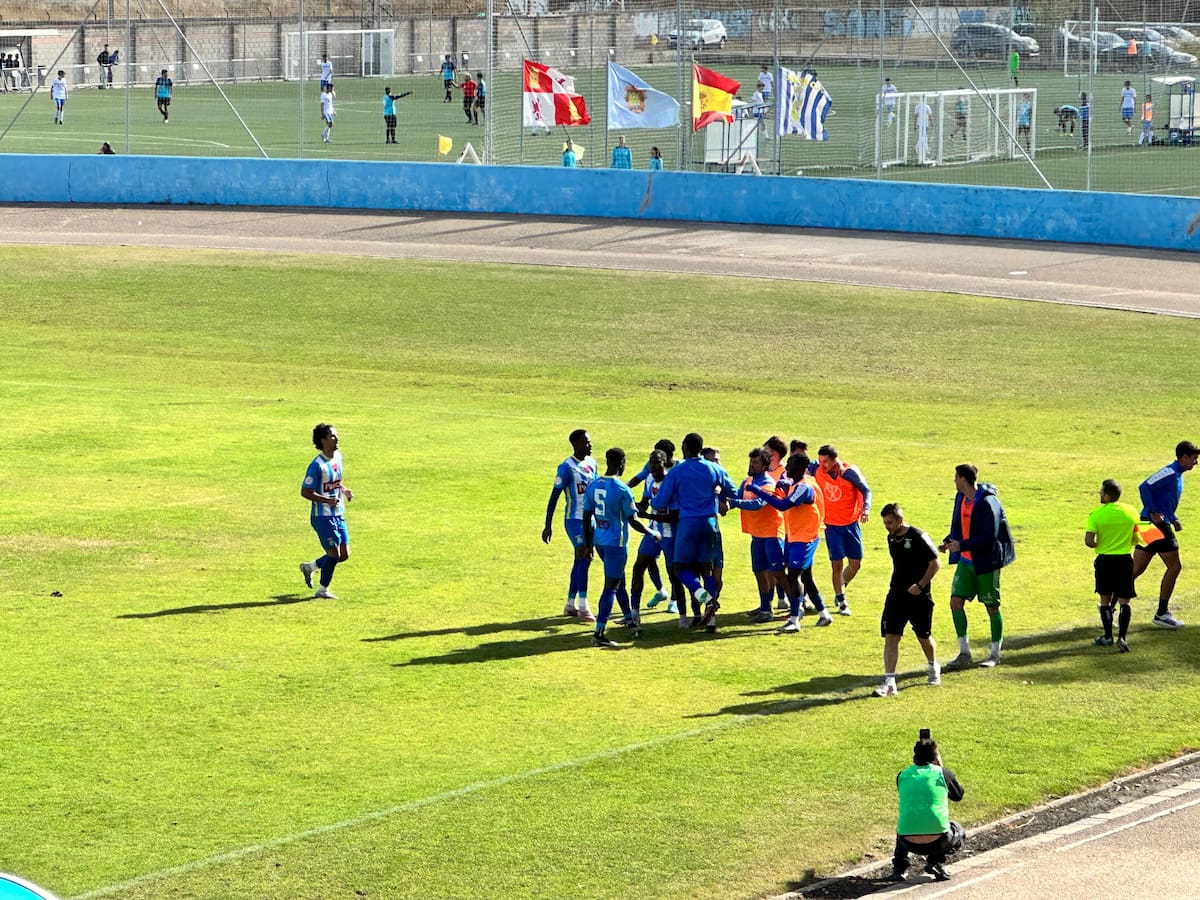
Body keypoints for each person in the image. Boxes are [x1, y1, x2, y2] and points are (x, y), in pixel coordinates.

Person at [654, 432, 740, 633]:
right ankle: (711, 622)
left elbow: (660, 502)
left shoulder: (678, 471)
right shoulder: (714, 468)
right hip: (710, 523)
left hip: (688, 524)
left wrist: (653, 501)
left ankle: (706, 599)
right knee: (707, 569)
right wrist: (718, 496)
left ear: (685, 447)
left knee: (679, 568)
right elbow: (733, 492)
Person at [939, 463, 1016, 669]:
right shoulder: (961, 498)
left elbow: (989, 536)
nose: (954, 481)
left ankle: (995, 654)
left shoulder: (988, 503)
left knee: (991, 606)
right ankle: (964, 653)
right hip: (966, 562)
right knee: (955, 602)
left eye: (956, 477)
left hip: (986, 562)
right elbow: (960, 526)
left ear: (963, 479)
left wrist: (961, 545)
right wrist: (948, 542)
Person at [746, 452, 832, 632]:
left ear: (800, 468)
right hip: (796, 537)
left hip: (805, 539)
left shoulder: (804, 487)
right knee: (806, 577)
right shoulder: (796, 485)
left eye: (791, 465)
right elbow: (787, 501)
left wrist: (759, 491)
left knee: (793, 576)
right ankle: (824, 614)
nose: (787, 468)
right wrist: (784, 489)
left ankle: (794, 619)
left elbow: (783, 505)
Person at [583, 448, 657, 647]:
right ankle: (599, 634)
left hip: (599, 541)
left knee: (619, 581)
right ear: (621, 463)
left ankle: (630, 622)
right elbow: (633, 521)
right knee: (611, 587)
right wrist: (652, 532)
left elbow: (586, 517)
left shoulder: (593, 485)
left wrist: (588, 545)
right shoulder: (622, 490)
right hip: (616, 544)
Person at [873, 503, 941, 697]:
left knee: (923, 636)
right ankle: (890, 682)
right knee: (891, 636)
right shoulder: (891, 538)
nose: (886, 526)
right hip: (896, 595)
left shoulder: (918, 536)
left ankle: (933, 665)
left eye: (889, 522)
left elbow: (935, 563)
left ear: (900, 520)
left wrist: (920, 585)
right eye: (885, 523)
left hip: (919, 596)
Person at [1133, 440, 1199, 629]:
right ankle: (1162, 613)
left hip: (1148, 524)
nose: (1196, 463)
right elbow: (1144, 486)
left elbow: (1164, 499)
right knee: (1174, 567)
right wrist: (1153, 511)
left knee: (1137, 568)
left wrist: (1173, 517)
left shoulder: (1177, 474)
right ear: (1183, 457)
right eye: (1194, 458)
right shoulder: (1170, 472)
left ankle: (1108, 605)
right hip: (1156, 526)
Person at [891, 732, 966, 882]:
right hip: (939, 841)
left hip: (907, 841)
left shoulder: (902, 775)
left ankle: (899, 869)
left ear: (914, 756)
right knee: (958, 830)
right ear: (935, 757)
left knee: (907, 821)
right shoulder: (942, 773)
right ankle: (935, 862)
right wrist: (941, 768)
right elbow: (958, 795)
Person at [542, 428, 598, 623]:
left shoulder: (592, 463)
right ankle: (583, 606)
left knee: (582, 560)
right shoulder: (566, 467)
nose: (590, 445)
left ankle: (570, 604)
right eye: (586, 442)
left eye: (590, 441)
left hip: (591, 520)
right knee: (583, 553)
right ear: (576, 444)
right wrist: (548, 525)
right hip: (574, 520)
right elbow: (554, 497)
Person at [809, 444, 871, 616]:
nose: (822, 464)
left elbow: (866, 490)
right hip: (831, 526)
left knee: (855, 564)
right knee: (836, 564)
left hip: (850, 524)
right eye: (820, 460)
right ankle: (842, 601)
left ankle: (842, 583)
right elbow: (799, 464)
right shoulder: (816, 469)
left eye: (825, 461)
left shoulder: (849, 473)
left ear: (834, 460)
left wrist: (866, 508)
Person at [726, 448, 783, 624]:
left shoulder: (769, 484)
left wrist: (732, 502)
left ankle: (798, 604)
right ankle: (765, 607)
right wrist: (722, 500)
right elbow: (735, 498)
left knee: (777, 573)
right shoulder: (747, 482)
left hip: (772, 534)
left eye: (756, 462)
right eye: (751, 461)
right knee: (759, 571)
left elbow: (757, 504)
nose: (751, 465)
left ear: (765, 466)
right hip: (757, 535)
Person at [298, 423, 353, 600]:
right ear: (323, 440)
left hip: (337, 513)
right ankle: (322, 590)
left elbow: (336, 481)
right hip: (322, 516)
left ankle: (310, 567)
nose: (337, 439)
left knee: (343, 555)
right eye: (333, 436)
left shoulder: (338, 457)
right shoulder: (316, 465)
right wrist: (327, 500)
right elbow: (305, 492)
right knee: (333, 554)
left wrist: (344, 490)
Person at [1086, 479, 1140, 652]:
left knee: (1105, 600)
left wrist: (1100, 544)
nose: (1100, 494)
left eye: (1101, 492)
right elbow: (1138, 537)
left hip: (1105, 561)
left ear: (1107, 495)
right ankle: (1122, 637)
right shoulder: (1131, 511)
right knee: (1125, 601)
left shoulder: (1096, 514)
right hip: (1124, 560)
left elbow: (1089, 541)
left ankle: (1108, 636)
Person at [631, 449, 671, 614]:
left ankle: (677, 604)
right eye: (651, 463)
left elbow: (674, 515)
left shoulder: (671, 481)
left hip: (670, 534)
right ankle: (634, 613)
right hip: (653, 531)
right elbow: (644, 503)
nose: (653, 467)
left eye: (657, 463)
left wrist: (647, 515)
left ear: (664, 463)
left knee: (674, 572)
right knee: (639, 566)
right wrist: (630, 504)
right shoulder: (649, 480)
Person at [913, 94, 932, 163]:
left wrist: (915, 125)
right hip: (924, 124)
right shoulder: (927, 106)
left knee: (923, 137)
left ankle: (923, 151)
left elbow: (915, 116)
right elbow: (930, 116)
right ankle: (920, 148)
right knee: (924, 137)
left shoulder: (918, 106)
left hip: (920, 124)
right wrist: (932, 123)